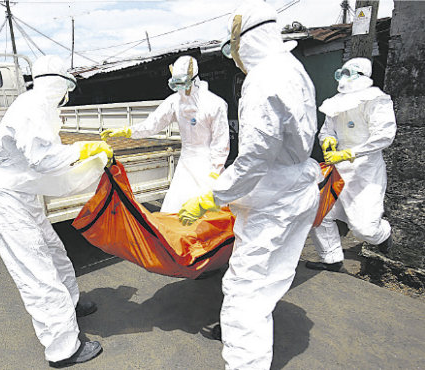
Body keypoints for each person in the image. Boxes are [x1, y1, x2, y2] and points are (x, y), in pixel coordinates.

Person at [178, 1, 321, 368]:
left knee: (246, 288)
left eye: (234, 47)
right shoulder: (293, 68)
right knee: (270, 278)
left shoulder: (262, 81)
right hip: (297, 187)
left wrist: (213, 196)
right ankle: (238, 328)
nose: (234, 56)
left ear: (247, 40)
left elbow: (256, 155)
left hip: (271, 197)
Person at [0, 55, 112, 368]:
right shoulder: (33, 106)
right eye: (68, 86)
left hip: (24, 197)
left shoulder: (41, 107)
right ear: (61, 83)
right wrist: (85, 150)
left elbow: (44, 161)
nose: (68, 94)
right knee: (37, 274)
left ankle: (71, 305)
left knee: (54, 254)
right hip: (6, 201)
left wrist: (86, 161)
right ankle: (62, 349)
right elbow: (44, 159)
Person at [100, 55, 230, 213]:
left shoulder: (215, 104)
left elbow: (220, 143)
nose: (180, 88)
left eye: (183, 83)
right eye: (176, 84)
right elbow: (152, 124)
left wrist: (215, 173)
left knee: (207, 214)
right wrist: (127, 131)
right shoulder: (174, 101)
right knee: (175, 210)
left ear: (194, 79)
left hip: (208, 166)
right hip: (186, 163)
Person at [306, 57, 397, 272]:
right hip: (338, 170)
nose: (344, 78)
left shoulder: (376, 100)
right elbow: (327, 130)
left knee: (364, 229)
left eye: (349, 73)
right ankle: (331, 259)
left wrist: (350, 152)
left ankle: (383, 234)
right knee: (319, 212)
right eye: (342, 73)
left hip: (366, 172)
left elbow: (384, 135)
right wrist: (328, 140)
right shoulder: (336, 102)